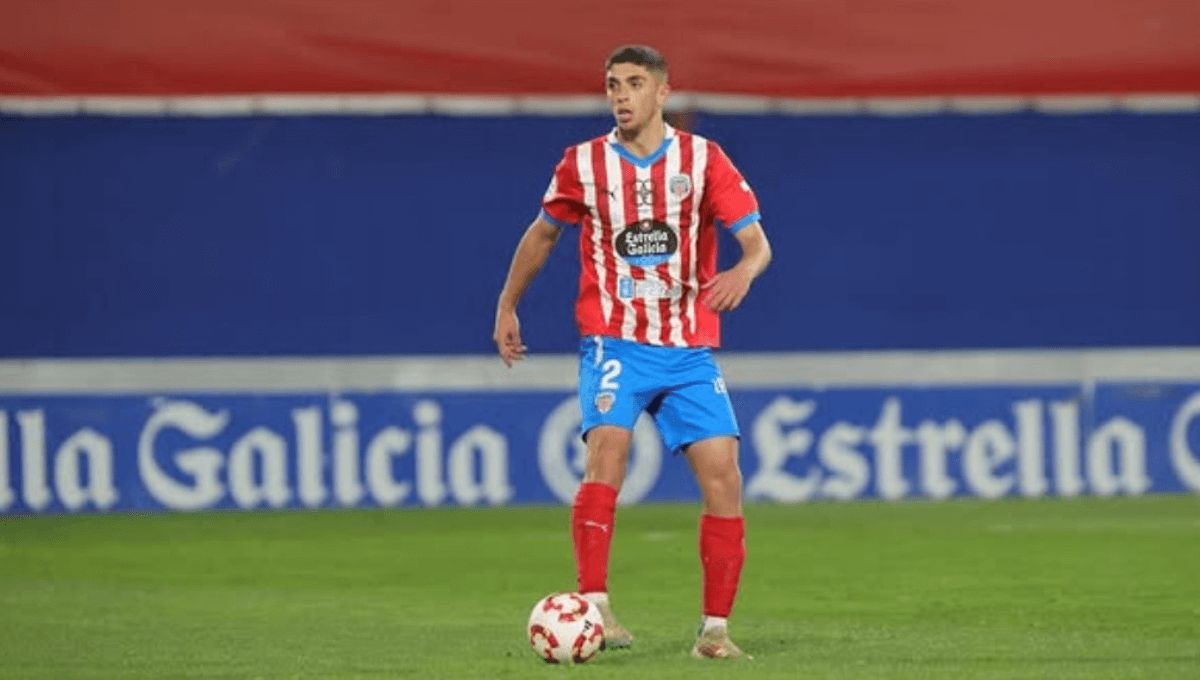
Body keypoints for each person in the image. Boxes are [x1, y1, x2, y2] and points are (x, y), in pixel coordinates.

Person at [493, 44, 772, 660]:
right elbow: (542, 235)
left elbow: (756, 243)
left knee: (724, 476)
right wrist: (508, 304)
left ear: (663, 92)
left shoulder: (702, 161)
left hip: (687, 348)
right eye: (613, 84)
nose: (620, 95)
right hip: (615, 341)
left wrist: (744, 272)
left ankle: (715, 634)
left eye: (634, 83)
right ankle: (595, 610)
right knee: (608, 454)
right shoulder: (584, 164)